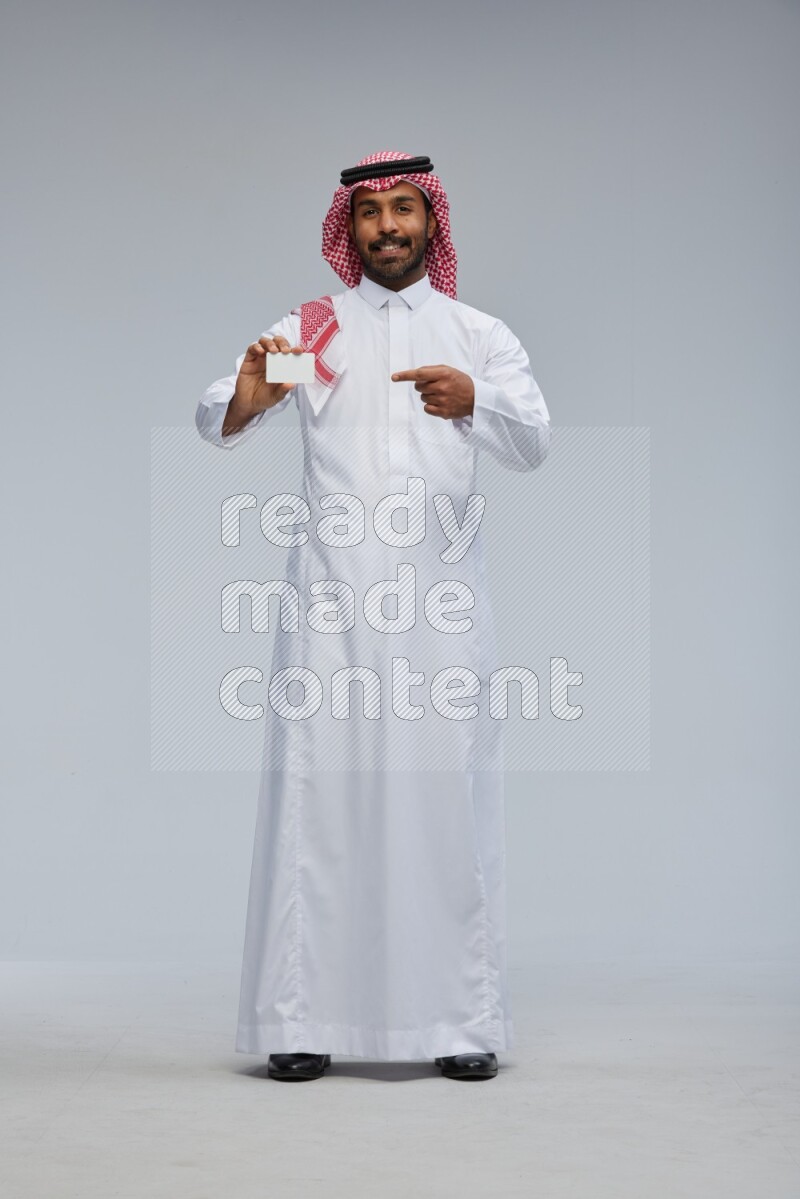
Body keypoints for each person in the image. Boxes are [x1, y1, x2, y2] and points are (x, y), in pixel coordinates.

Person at [196, 150, 551, 1081]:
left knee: (444, 805)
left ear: (433, 222)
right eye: (370, 214)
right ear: (347, 230)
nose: (388, 227)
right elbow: (219, 412)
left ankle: (458, 1023)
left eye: (404, 209)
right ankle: (303, 1018)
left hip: (438, 609)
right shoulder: (313, 328)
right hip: (332, 612)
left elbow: (535, 438)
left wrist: (473, 402)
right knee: (322, 809)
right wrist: (247, 396)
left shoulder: (479, 335)